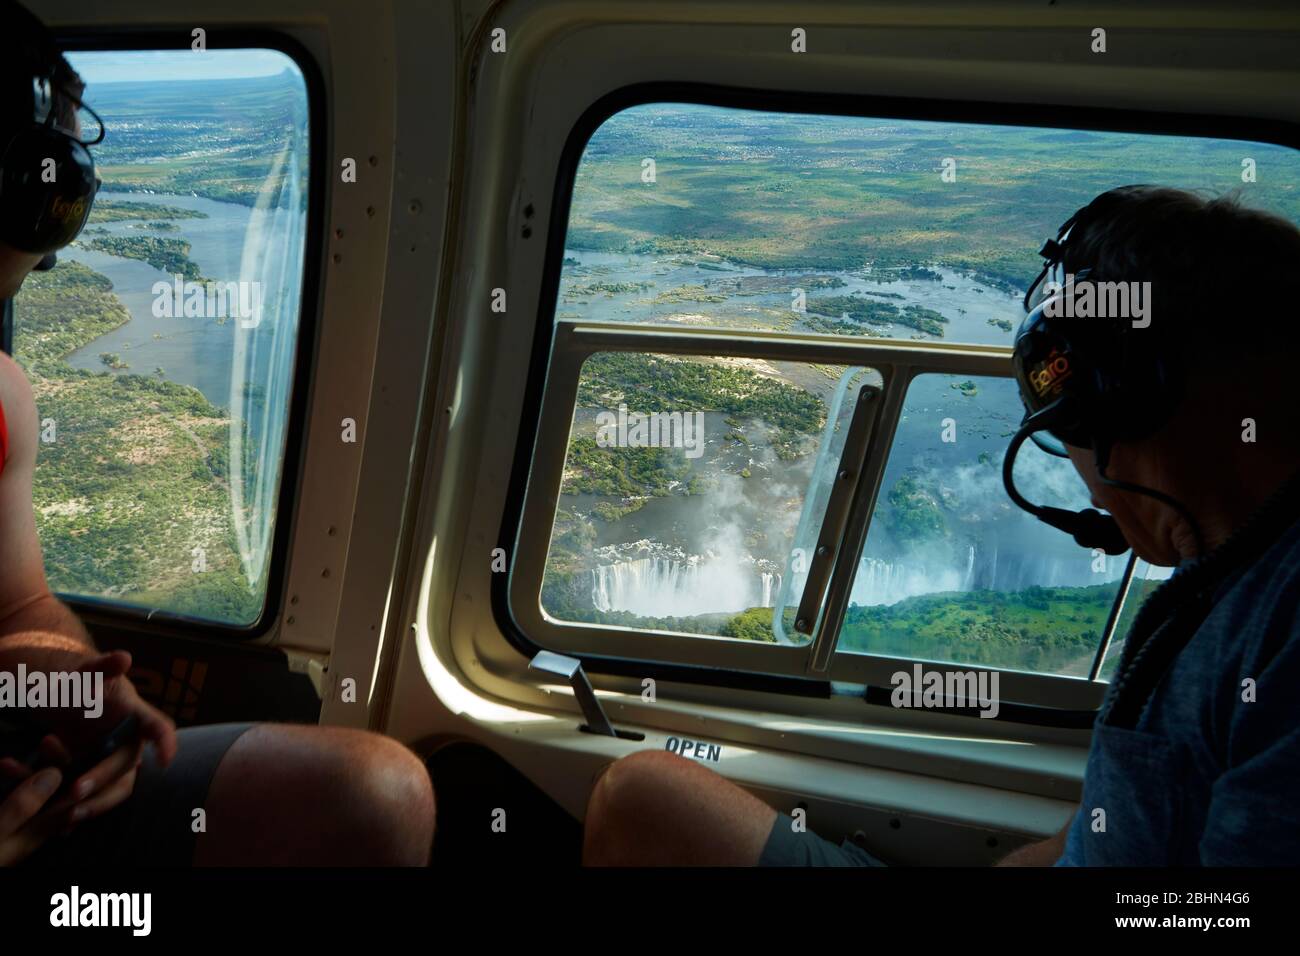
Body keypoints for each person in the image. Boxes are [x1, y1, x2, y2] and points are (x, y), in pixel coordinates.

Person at [582, 184, 1300, 866]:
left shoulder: (1279, 623)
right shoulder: (1222, 581)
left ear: (1130, 408)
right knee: (642, 795)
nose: (1087, 481)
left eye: (1065, 427)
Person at [0, 0, 434, 866]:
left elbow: (15, 608)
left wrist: (75, 693)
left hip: (32, 785)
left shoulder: (2, 396)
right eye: (49, 177)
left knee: (376, 798)